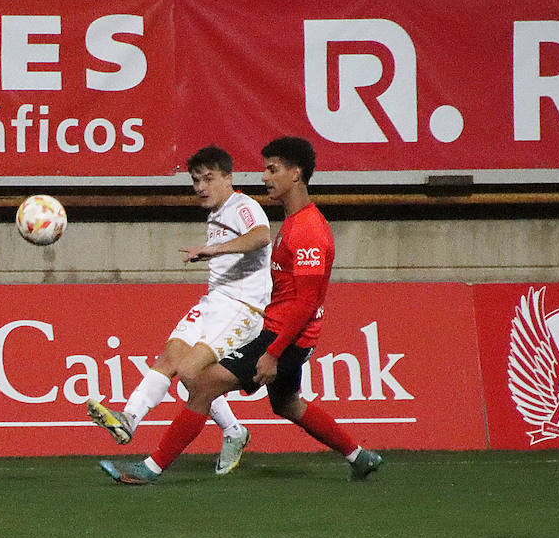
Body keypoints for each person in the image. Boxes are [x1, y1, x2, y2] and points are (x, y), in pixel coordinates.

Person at [101, 136, 382, 485]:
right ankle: (359, 456)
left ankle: (150, 468)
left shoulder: (307, 231)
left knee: (202, 386)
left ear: (295, 174)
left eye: (272, 169)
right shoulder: (295, 222)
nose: (264, 177)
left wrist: (273, 353)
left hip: (284, 339)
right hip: (282, 334)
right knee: (287, 404)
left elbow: (306, 302)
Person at [86, 145, 271, 477]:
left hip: (241, 308)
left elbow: (261, 236)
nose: (200, 187)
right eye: (195, 180)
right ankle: (130, 418)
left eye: (208, 179)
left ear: (229, 178)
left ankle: (231, 432)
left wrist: (212, 250)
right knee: (170, 357)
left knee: (191, 375)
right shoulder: (216, 212)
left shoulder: (243, 206)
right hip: (214, 301)